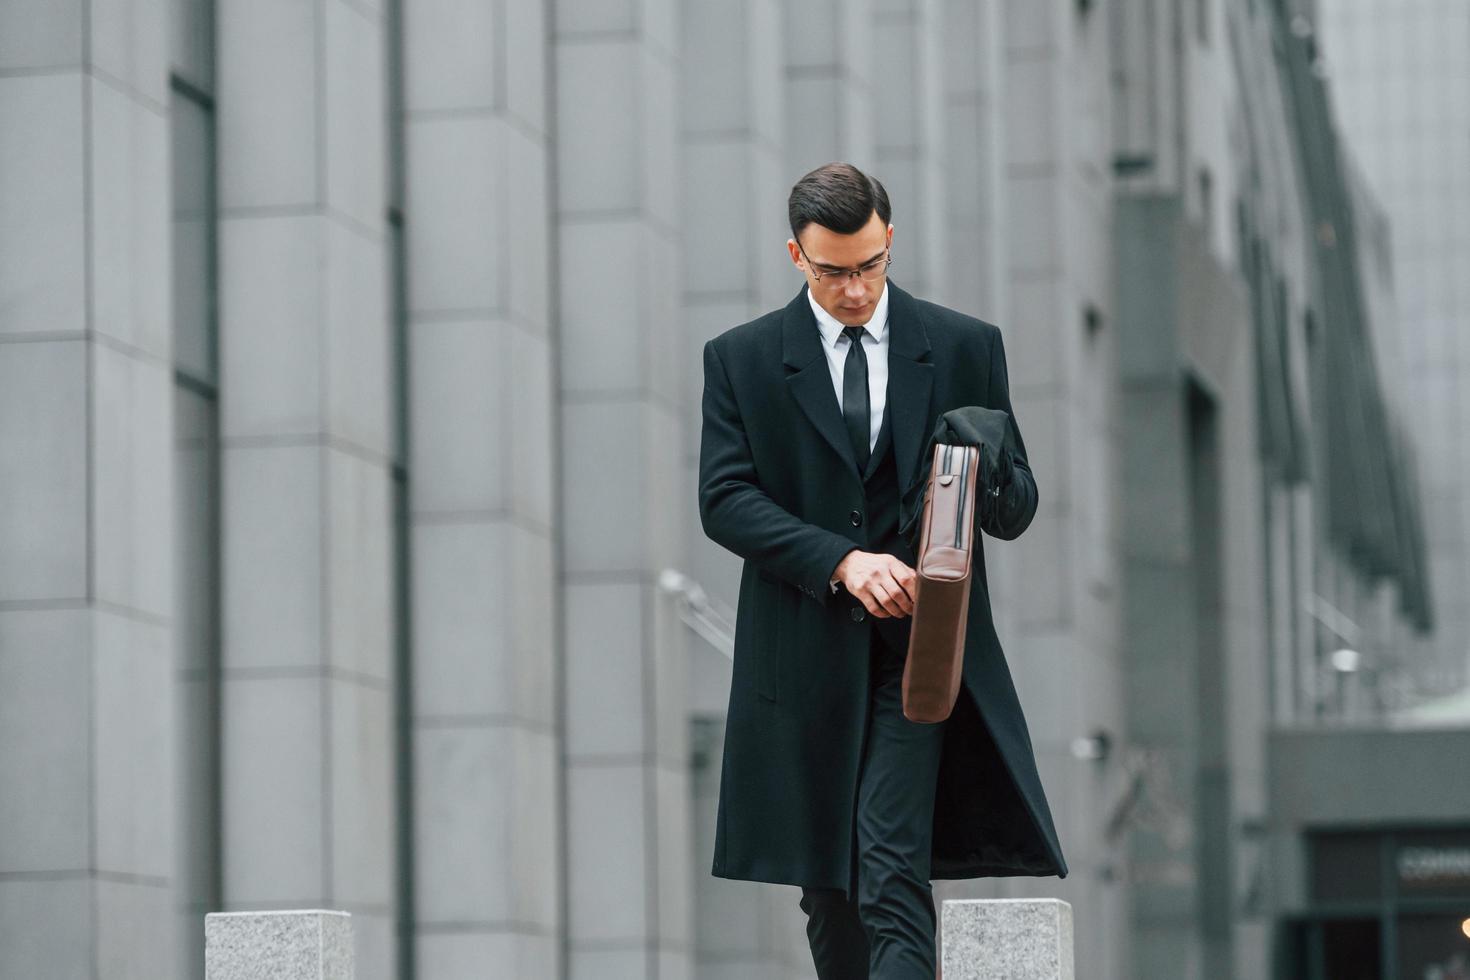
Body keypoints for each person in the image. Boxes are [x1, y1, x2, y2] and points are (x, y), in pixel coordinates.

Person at [697, 162, 1068, 978]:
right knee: (829, 892)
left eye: (870, 265)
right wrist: (841, 561)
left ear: (890, 243)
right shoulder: (742, 360)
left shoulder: (966, 345)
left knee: (890, 865)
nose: (856, 289)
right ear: (796, 256)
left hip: (921, 657)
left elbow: (1015, 511)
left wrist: (988, 456)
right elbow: (723, 500)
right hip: (800, 659)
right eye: (834, 271)